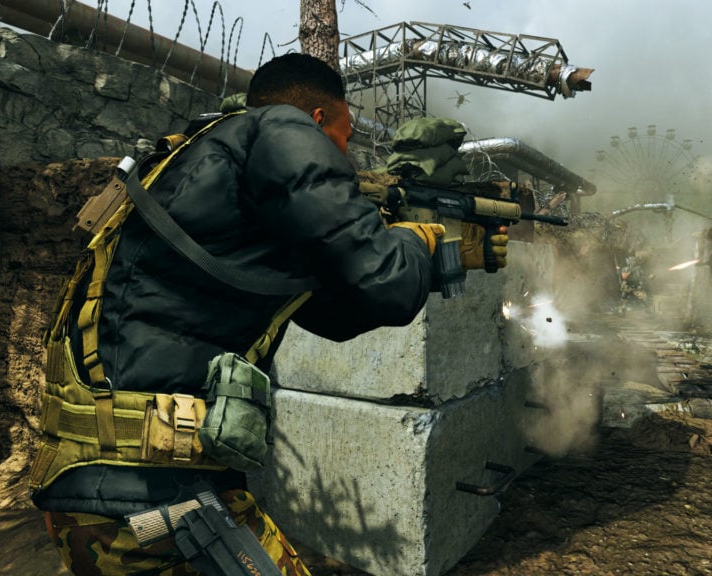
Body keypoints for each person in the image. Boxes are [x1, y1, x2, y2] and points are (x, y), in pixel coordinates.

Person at [28, 53, 508, 575]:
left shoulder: (207, 156)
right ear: (317, 120)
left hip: (104, 484)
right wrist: (415, 240)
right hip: (152, 498)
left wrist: (444, 259)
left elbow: (332, 315)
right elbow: (387, 285)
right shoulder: (282, 129)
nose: (346, 155)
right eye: (345, 137)